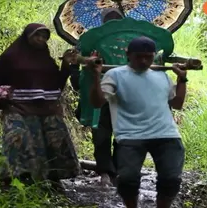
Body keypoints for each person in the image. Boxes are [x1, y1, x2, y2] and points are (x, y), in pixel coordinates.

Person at [88, 36, 187, 208]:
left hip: (166, 133)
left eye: (148, 57)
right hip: (130, 136)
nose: (143, 60)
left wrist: (182, 80)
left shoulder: (162, 76)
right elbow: (97, 102)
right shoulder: (115, 75)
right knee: (127, 180)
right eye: (138, 56)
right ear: (128, 55)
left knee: (171, 179)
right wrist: (96, 76)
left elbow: (177, 104)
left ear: (154, 56)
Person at [0, 23, 81, 191]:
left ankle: (52, 179)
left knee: (54, 141)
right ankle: (11, 179)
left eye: (44, 37)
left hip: (47, 109)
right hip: (18, 107)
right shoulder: (11, 56)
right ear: (27, 36)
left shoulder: (46, 60)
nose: (41, 39)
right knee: (16, 138)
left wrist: (66, 64)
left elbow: (57, 86)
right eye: (37, 35)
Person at [69, 8, 124, 187]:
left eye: (117, 18)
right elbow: (75, 59)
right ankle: (105, 172)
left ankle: (117, 170)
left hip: (123, 94)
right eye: (109, 18)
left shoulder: (130, 41)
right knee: (100, 134)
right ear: (103, 21)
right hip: (97, 91)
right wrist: (81, 66)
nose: (113, 22)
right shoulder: (91, 40)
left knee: (123, 134)